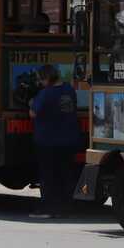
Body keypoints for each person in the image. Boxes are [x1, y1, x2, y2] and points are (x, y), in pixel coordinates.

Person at [28, 63, 81, 219]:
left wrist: (31, 103)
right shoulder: (69, 90)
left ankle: (47, 208)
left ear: (46, 78)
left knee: (48, 177)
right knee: (65, 175)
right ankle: (65, 207)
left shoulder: (45, 94)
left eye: (40, 80)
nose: (40, 83)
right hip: (69, 139)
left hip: (48, 141)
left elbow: (33, 113)